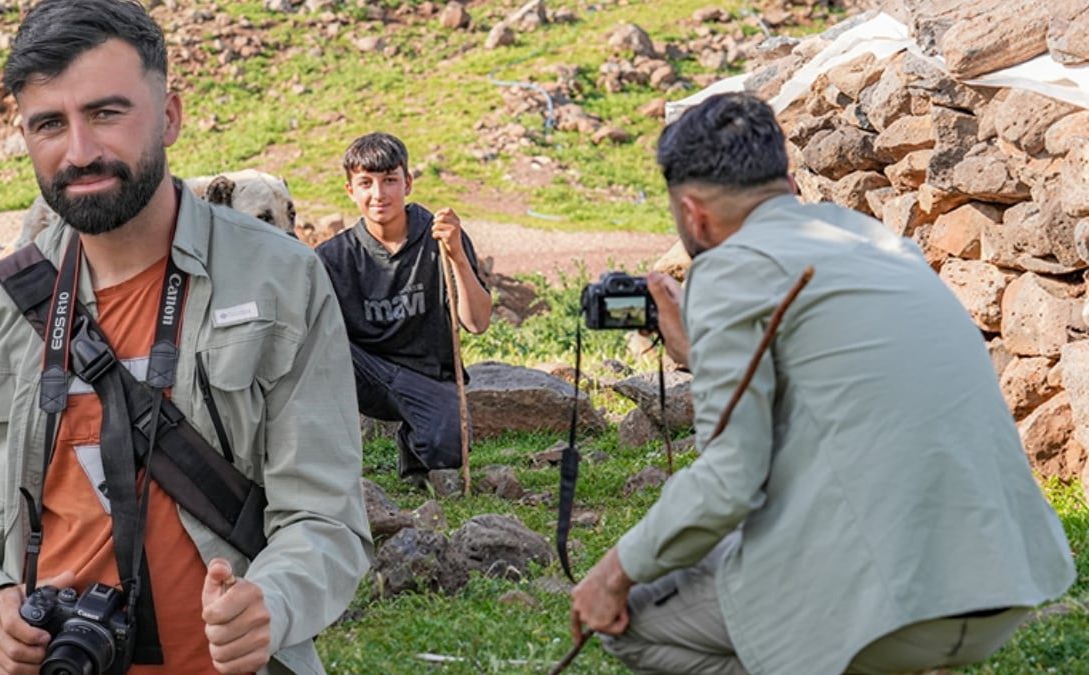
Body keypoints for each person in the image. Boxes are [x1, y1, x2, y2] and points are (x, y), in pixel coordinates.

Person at [0, 1, 372, 674]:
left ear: (171, 115)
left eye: (106, 113)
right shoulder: (0, 303)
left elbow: (325, 515)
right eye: (48, 124)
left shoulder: (282, 283)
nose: (80, 150)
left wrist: (272, 600)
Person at [569, 92, 1076, 675]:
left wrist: (610, 575)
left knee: (631, 620)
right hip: (998, 581)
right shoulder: (875, 243)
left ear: (694, 213)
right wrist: (700, 353)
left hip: (893, 601)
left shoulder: (730, 265)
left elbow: (728, 485)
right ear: (785, 179)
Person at [315, 133, 492, 485]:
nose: (379, 194)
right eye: (366, 183)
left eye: (390, 181)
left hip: (426, 375)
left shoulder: (440, 239)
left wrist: (457, 256)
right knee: (314, 338)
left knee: (451, 447)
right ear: (350, 189)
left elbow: (478, 322)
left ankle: (415, 444)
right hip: (363, 374)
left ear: (408, 183)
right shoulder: (332, 257)